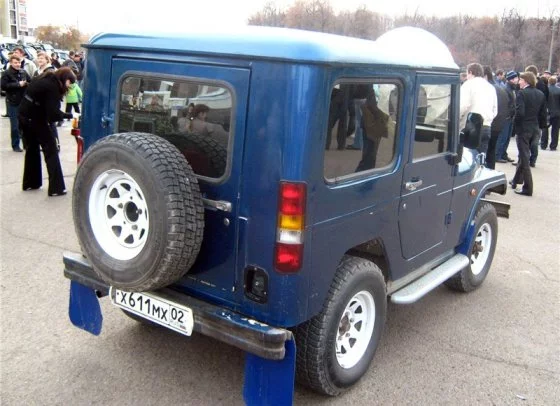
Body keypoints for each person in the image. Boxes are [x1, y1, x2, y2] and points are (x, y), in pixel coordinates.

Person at [18, 67, 76, 196]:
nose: (69, 86)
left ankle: (31, 182)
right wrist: (70, 115)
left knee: (32, 150)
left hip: (24, 115)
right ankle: (56, 188)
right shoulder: (53, 87)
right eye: (69, 82)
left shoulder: (44, 78)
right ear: (65, 79)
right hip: (36, 118)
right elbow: (53, 114)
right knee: (51, 151)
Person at [510, 72, 547, 197]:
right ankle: (515, 180)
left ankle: (528, 187)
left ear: (526, 81)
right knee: (523, 156)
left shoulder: (522, 94)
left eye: (520, 80)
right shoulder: (540, 94)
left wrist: (515, 127)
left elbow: (520, 113)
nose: (519, 82)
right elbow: (543, 114)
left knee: (524, 158)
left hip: (524, 129)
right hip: (535, 128)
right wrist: (540, 127)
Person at [459, 62, 497, 157]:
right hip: (486, 126)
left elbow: (463, 106)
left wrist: (457, 120)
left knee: (467, 158)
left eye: (467, 73)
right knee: (481, 158)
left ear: (470, 72)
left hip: (470, 127)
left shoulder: (468, 85)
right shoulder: (490, 87)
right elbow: (495, 109)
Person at [1, 54, 31, 152]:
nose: (18, 64)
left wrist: (26, 84)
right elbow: (3, 86)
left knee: (24, 124)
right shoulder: (6, 73)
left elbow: (30, 81)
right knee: (15, 126)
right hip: (12, 102)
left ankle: (26, 144)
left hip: (23, 101)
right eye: (15, 63)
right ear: (11, 63)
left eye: (19, 62)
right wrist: (18, 84)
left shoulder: (23, 72)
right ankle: (15, 145)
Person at [483, 66, 510, 169]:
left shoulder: (488, 89)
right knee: (491, 150)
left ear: (485, 76)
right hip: (498, 125)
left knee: (483, 152)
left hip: (488, 124)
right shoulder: (500, 89)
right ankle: (490, 169)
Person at [355, 90, 389, 172]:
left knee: (370, 152)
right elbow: (372, 105)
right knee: (370, 153)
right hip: (372, 124)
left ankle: (364, 171)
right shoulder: (373, 90)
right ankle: (361, 173)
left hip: (372, 124)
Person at [524, 65, 548, 166]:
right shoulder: (543, 85)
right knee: (534, 141)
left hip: (529, 116)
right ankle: (533, 159)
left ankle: (525, 158)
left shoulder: (527, 89)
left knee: (525, 141)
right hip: (538, 117)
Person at [496, 70, 518, 163]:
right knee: (503, 137)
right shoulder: (506, 89)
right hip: (506, 117)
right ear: (511, 79)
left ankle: (503, 154)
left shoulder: (511, 88)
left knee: (507, 137)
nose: (517, 80)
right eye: (515, 78)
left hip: (510, 117)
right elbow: (507, 104)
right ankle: (498, 155)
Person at [547, 76, 560, 151]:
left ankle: (543, 143)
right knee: (555, 130)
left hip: (548, 112)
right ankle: (553, 145)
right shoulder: (559, 90)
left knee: (545, 128)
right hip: (557, 112)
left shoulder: (546, 90)